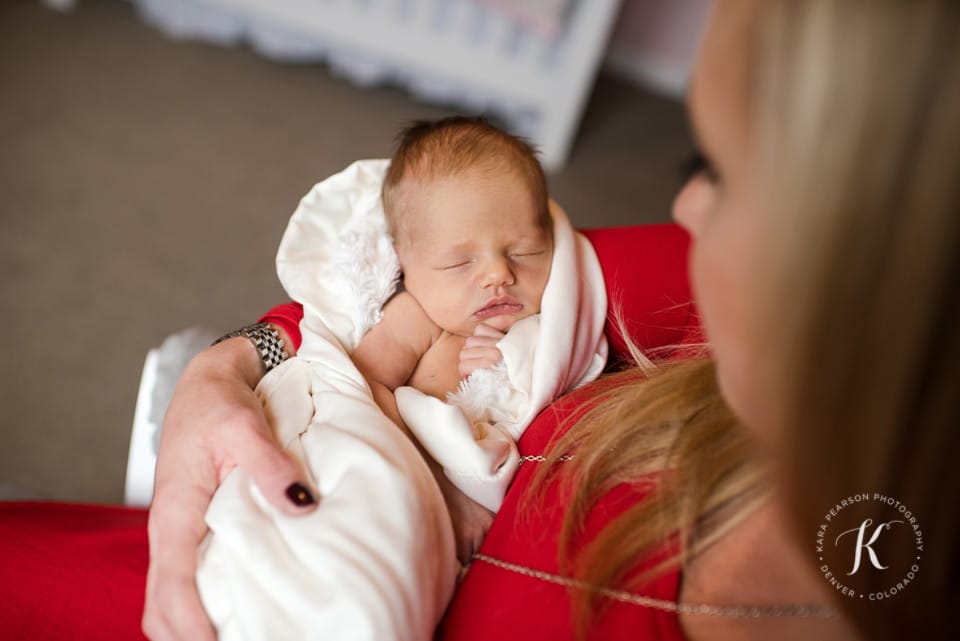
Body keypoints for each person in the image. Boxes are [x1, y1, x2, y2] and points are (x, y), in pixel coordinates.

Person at [142, 1, 958, 640]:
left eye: (724, 171)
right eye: (691, 160)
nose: (683, 206)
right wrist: (229, 366)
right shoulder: (670, 285)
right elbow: (350, 336)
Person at [193, 117, 607, 641]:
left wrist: (517, 354)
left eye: (524, 251)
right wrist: (442, 491)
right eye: (459, 263)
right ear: (405, 264)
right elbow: (359, 389)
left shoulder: (553, 328)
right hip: (399, 473)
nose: (498, 274)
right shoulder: (417, 317)